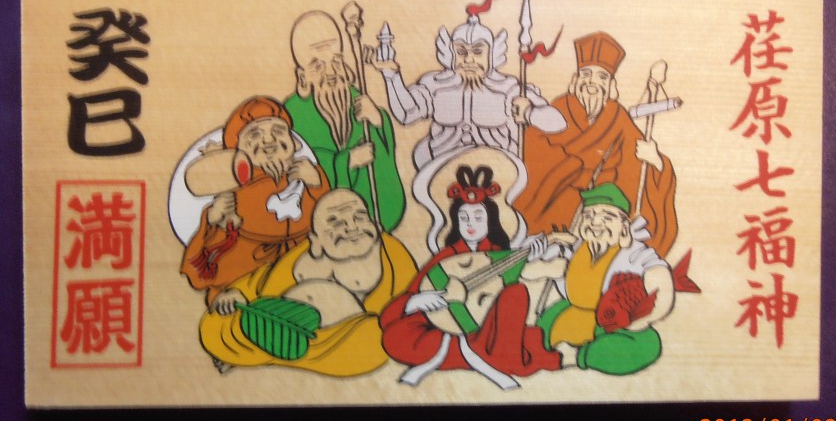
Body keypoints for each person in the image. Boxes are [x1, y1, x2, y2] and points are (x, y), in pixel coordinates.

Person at [199, 189, 418, 375]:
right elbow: (259, 283)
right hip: (278, 325)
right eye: (335, 222)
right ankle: (266, 345)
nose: (352, 227)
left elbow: (408, 302)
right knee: (215, 324)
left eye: (360, 217)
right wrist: (236, 294)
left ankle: (261, 351)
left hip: (342, 340)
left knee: (373, 345)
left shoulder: (391, 255)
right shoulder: (303, 255)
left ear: (375, 225)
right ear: (316, 240)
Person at [380, 166, 561, 389]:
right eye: (463, 218)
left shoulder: (500, 255)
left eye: (477, 217)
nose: (470, 224)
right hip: (444, 327)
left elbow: (508, 304)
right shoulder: (446, 258)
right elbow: (390, 315)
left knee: (517, 293)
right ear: (455, 221)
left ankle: (457, 351)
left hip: (484, 330)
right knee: (394, 337)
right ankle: (473, 352)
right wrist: (414, 301)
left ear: (490, 220)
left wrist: (528, 258)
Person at [514, 31, 678, 257]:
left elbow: (638, 163)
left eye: (602, 77)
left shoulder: (618, 119)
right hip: (555, 214)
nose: (592, 82)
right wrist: (575, 169)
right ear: (575, 80)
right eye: (586, 74)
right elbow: (533, 153)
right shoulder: (556, 111)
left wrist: (656, 161)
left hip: (604, 215)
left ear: (611, 85)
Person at [367, 0, 565, 169]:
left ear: (492, 54)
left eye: (477, 51)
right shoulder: (436, 86)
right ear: (451, 53)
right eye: (461, 51)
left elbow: (558, 123)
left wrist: (530, 112)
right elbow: (406, 113)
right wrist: (391, 76)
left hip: (498, 176)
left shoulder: (510, 90)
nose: (469, 59)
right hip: (439, 175)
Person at [179, 96, 329, 307]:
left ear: (294, 143)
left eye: (278, 131)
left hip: (303, 268)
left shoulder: (308, 175)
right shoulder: (233, 188)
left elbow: (326, 219)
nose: (268, 141)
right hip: (247, 277)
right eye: (255, 134)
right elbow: (208, 255)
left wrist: (317, 185)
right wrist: (213, 218)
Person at [535, 183, 675, 375]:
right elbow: (543, 262)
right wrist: (549, 253)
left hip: (609, 324)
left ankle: (578, 356)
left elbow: (658, 273)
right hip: (569, 313)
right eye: (589, 215)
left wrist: (647, 318)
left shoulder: (633, 253)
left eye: (607, 217)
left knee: (647, 344)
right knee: (539, 330)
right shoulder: (578, 248)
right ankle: (540, 351)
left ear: (624, 228)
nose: (596, 222)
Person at [284, 10, 405, 232]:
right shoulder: (291, 114)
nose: (331, 73)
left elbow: (381, 152)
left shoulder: (356, 99)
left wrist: (378, 121)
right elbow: (302, 166)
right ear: (302, 77)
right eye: (318, 66)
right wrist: (347, 161)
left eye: (336, 62)